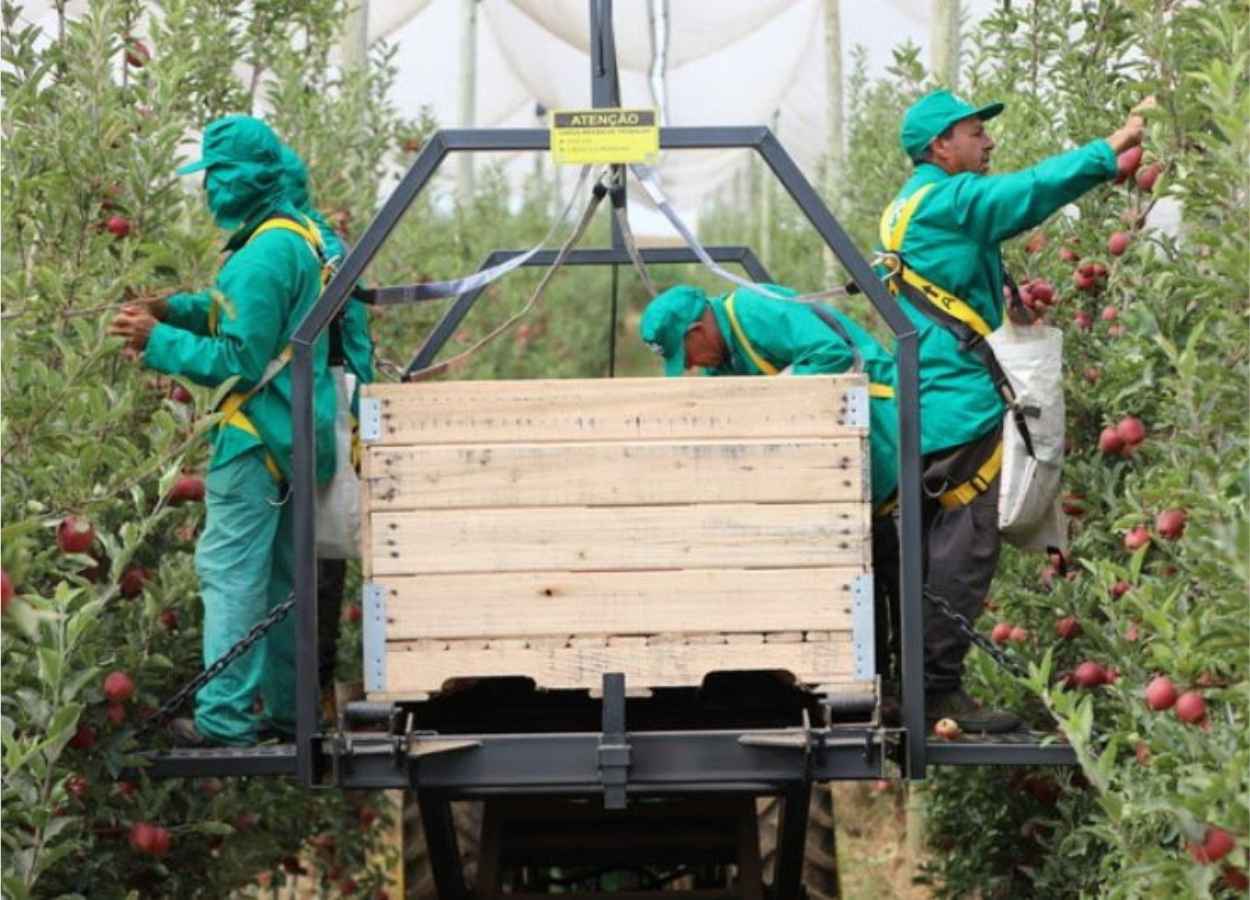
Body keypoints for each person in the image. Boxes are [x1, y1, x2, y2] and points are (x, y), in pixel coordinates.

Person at [876, 89, 1148, 731]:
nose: (988, 143)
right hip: (964, 402)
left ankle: (906, 678)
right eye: (975, 133)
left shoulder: (908, 207)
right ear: (941, 146)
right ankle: (936, 687)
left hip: (931, 396)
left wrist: (1004, 297)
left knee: (929, 545)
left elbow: (945, 279)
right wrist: (1110, 149)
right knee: (967, 546)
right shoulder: (948, 199)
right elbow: (1023, 195)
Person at [108, 115, 339, 746]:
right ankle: (294, 714)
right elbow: (237, 312)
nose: (207, 189)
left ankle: (224, 720)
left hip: (255, 436)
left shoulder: (264, 252)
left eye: (213, 176)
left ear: (239, 179)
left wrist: (158, 340)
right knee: (284, 582)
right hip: (295, 431)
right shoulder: (290, 239)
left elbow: (238, 356)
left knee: (229, 574)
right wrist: (175, 307)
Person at [640, 284, 902, 680]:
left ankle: (917, 684)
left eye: (686, 354)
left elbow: (832, 354)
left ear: (698, 330)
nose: (691, 365)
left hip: (878, 427)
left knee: (894, 568)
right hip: (832, 475)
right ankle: (882, 681)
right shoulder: (721, 364)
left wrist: (771, 397)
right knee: (865, 572)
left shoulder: (752, 310)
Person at [276, 145, 375, 709]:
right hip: (338, 401)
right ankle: (310, 689)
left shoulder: (292, 245)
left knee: (305, 552)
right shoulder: (322, 241)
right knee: (326, 548)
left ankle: (298, 698)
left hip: (315, 405)